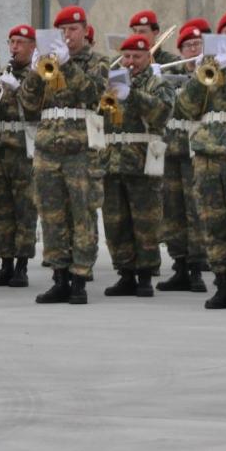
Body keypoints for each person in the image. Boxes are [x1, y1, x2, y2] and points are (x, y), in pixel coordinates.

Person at [19, 5, 108, 305]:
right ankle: (59, 278)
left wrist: (68, 66)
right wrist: (34, 74)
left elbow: (94, 94)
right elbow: (28, 104)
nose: (68, 35)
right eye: (63, 30)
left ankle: (80, 279)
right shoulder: (49, 61)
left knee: (82, 215)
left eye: (73, 29)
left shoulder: (97, 62)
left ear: (84, 30)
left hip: (80, 149)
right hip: (48, 148)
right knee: (51, 215)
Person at [177, 10, 226, 310]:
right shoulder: (209, 66)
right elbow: (185, 107)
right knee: (212, 221)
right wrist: (202, 73)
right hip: (207, 155)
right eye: (225, 34)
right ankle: (222, 281)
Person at [100, 34, 173, 298]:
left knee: (145, 222)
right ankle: (125, 273)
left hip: (142, 161)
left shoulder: (157, 83)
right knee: (115, 222)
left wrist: (133, 94)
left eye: (137, 57)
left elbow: (162, 112)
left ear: (148, 57)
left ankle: (145, 275)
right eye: (127, 56)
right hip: (112, 161)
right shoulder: (112, 81)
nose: (131, 62)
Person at [0, 24, 38, 287]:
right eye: (12, 42)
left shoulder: (37, 75)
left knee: (24, 209)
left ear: (32, 46)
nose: (14, 47)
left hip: (22, 151)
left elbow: (35, 108)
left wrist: (17, 90)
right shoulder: (4, 73)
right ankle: (5, 263)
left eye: (20, 42)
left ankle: (21, 266)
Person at [158, 20, 211, 292]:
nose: (193, 49)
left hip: (195, 152)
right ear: (180, 51)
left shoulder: (210, 75)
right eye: (188, 45)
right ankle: (179, 266)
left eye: (198, 44)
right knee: (173, 211)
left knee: (195, 211)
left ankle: (197, 268)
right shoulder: (170, 75)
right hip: (171, 151)